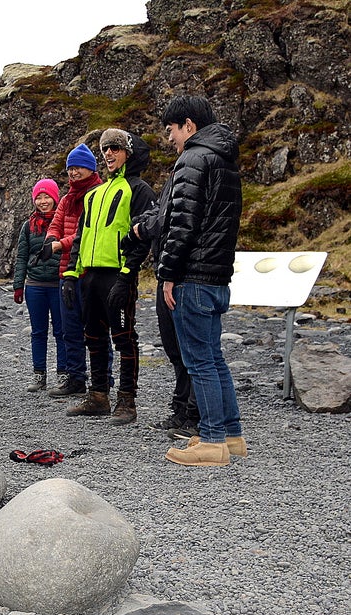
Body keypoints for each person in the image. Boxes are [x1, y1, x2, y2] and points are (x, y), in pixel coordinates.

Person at [157, 95, 245, 467]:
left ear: (189, 125)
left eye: (173, 130)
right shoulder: (226, 160)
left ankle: (211, 442)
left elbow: (182, 224)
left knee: (200, 362)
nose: (172, 139)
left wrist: (167, 275)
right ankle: (231, 435)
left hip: (192, 276)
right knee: (214, 357)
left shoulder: (193, 158)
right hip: (218, 276)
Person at [62, 128, 155, 425]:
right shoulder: (94, 194)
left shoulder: (139, 189)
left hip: (118, 274)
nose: (109, 154)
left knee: (125, 339)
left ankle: (127, 400)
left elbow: (144, 236)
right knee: (93, 337)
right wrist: (70, 274)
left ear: (129, 152)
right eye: (105, 149)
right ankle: (98, 395)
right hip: (90, 276)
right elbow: (81, 235)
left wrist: (128, 273)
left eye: (115, 148)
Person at [127, 168, 200, 440]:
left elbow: (170, 221)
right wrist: (146, 223)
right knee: (174, 349)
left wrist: (140, 229)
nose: (169, 137)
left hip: (183, 275)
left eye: (172, 130)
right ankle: (181, 410)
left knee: (191, 352)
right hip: (166, 271)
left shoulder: (196, 170)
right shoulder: (177, 174)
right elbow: (158, 212)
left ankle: (195, 416)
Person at [37, 144, 103, 398]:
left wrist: (57, 244)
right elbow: (56, 224)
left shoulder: (99, 194)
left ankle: (101, 381)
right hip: (67, 272)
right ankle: (76, 378)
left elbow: (85, 234)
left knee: (96, 330)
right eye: (70, 168)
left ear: (90, 168)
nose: (73, 172)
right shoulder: (66, 199)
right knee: (70, 329)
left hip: (92, 271)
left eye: (78, 167)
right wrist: (50, 239)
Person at [12, 179, 63, 392]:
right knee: (38, 332)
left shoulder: (63, 221)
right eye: (39, 197)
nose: (43, 201)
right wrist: (18, 285)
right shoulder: (28, 226)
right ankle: (39, 375)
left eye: (47, 197)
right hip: (35, 285)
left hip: (58, 284)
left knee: (62, 332)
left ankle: (64, 374)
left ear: (55, 198)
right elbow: (22, 257)